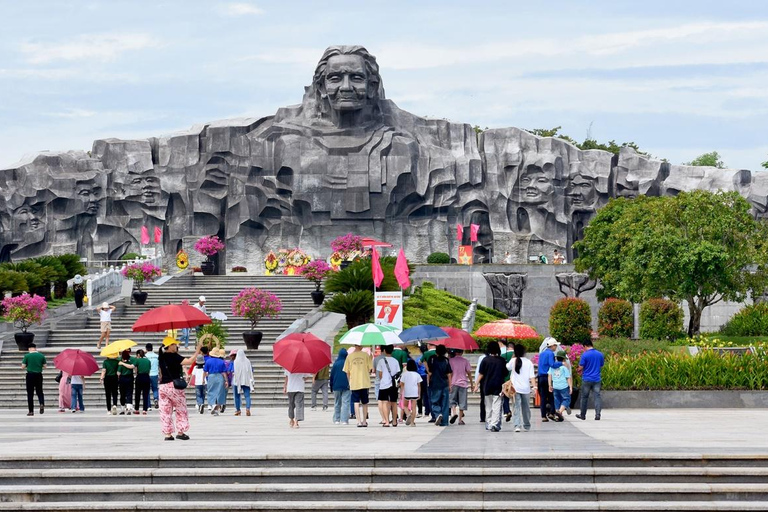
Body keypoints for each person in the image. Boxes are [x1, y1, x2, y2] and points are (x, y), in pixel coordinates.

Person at [158, 337, 201, 440]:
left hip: (163, 386)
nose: (176, 346)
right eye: (174, 345)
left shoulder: (161, 357)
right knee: (180, 408)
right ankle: (180, 432)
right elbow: (190, 361)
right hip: (174, 386)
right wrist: (197, 351)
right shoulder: (174, 356)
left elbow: (161, 372)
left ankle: (168, 434)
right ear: (169, 346)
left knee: (165, 411)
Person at [474, 342, 506, 432]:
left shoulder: (485, 360)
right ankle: (494, 424)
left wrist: (476, 384)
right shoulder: (502, 360)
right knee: (496, 405)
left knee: (488, 406)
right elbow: (505, 373)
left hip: (487, 385)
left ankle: (488, 423)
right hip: (498, 385)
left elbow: (481, 374)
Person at [506, 343, 536, 432]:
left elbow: (507, 367)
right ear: (524, 352)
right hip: (526, 389)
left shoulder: (513, 361)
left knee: (516, 407)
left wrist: (512, 357)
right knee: (526, 407)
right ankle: (527, 424)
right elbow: (532, 376)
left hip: (515, 389)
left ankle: (517, 425)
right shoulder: (528, 362)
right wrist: (534, 387)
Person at [343, 344, 373, 427]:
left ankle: (358, 421)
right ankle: (364, 421)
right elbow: (370, 369)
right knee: (365, 402)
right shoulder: (366, 355)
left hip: (354, 382)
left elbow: (347, 371)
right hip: (364, 381)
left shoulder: (349, 356)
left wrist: (349, 381)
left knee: (356, 402)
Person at [576, 340, 605, 421]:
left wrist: (578, 370)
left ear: (585, 346)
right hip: (597, 379)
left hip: (587, 379)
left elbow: (581, 366)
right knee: (597, 396)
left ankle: (582, 415)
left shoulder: (585, 355)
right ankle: (598, 415)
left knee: (584, 397)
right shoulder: (600, 354)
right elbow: (601, 365)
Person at [426, 344, 452, 427]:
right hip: (444, 384)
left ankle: (438, 413)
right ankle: (444, 422)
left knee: (434, 402)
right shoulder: (446, 360)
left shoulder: (432, 359)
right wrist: (450, 385)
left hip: (434, 384)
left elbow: (429, 372)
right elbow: (449, 374)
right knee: (445, 404)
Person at [537, 337, 562, 422]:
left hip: (540, 377)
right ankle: (552, 413)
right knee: (551, 396)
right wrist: (560, 363)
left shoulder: (542, 354)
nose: (556, 348)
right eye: (555, 346)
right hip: (548, 377)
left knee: (543, 397)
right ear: (552, 346)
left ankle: (543, 416)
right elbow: (552, 364)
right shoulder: (551, 353)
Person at [376, 345, 400, 427]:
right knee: (394, 403)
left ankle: (386, 421)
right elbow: (398, 373)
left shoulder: (381, 361)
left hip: (384, 384)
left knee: (384, 402)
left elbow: (380, 374)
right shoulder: (395, 361)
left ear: (385, 350)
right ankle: (394, 421)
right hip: (393, 385)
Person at [448, 349, 472, 426]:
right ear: (462, 352)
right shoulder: (465, 361)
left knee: (452, 400)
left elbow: (450, 373)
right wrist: (471, 384)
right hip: (463, 383)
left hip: (453, 382)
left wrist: (449, 384)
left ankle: (454, 413)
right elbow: (469, 372)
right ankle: (460, 420)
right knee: (462, 402)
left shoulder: (450, 361)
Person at [22, 343, 46, 416]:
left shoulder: (27, 356)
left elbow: (23, 366)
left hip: (30, 375)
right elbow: (45, 366)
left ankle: (31, 411)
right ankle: (41, 403)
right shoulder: (41, 356)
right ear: (35, 348)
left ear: (29, 348)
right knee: (39, 391)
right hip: (39, 375)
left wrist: (29, 366)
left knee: (30, 393)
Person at [203, 348, 228, 415]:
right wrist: (226, 381)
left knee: (211, 391)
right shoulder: (221, 361)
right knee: (220, 392)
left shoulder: (208, 361)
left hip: (211, 376)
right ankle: (217, 408)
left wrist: (203, 379)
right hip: (220, 377)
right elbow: (224, 372)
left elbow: (205, 371)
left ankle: (213, 404)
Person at [548, 350, 571, 421]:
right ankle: (559, 412)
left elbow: (549, 375)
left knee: (557, 400)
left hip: (555, 386)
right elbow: (568, 377)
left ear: (556, 358)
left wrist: (549, 385)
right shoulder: (564, 367)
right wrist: (570, 387)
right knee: (566, 399)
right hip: (563, 386)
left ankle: (557, 416)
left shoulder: (552, 366)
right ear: (564, 359)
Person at [330, 348, 351, 425]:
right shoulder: (348, 363)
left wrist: (331, 386)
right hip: (347, 385)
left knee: (337, 403)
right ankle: (344, 420)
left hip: (336, 386)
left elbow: (332, 375)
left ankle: (336, 419)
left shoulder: (336, 364)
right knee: (346, 402)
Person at [399, 359, 422, 426]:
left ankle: (408, 414)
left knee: (405, 406)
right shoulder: (417, 375)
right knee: (414, 408)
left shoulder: (404, 374)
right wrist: (419, 394)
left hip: (407, 392)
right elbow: (419, 385)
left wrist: (401, 392)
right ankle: (412, 422)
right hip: (414, 392)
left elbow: (402, 384)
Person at [232, 349, 254, 416]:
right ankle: (248, 408)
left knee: (237, 396)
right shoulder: (247, 361)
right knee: (247, 395)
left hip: (237, 380)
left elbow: (234, 370)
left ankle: (238, 410)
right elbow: (250, 370)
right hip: (246, 380)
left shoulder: (236, 361)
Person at [117, 349, 136, 415]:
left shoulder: (120, 361)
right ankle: (128, 408)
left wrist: (122, 363)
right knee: (129, 393)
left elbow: (118, 373)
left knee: (122, 394)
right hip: (129, 378)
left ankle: (122, 408)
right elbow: (132, 367)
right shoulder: (132, 359)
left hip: (122, 378)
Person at [133, 349, 152, 415]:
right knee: (145, 394)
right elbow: (149, 370)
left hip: (139, 377)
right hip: (146, 377)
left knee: (137, 394)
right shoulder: (148, 361)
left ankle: (137, 409)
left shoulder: (137, 360)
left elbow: (135, 369)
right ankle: (144, 410)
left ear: (138, 354)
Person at [414, 351, 429, 418]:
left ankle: (420, 411)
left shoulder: (418, 359)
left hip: (419, 376)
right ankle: (427, 412)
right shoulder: (428, 357)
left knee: (419, 394)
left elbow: (416, 368)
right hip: (426, 376)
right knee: (426, 394)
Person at [145, 343, 159, 409]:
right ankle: (156, 399)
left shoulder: (145, 356)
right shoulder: (156, 356)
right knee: (155, 388)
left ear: (146, 349)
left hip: (147, 374)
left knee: (147, 390)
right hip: (155, 374)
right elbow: (160, 366)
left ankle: (148, 405)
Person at [474, 348, 487, 423]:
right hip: (491, 380)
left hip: (483, 381)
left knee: (483, 399)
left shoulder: (482, 358)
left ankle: (483, 416)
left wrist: (476, 383)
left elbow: (479, 371)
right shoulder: (498, 358)